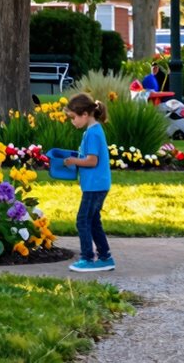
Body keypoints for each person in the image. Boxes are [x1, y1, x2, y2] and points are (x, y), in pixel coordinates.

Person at [62, 93, 115, 273]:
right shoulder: (93, 131)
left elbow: (92, 161)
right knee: (93, 221)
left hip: (95, 185)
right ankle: (105, 257)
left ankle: (87, 259)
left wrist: (73, 161)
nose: (72, 121)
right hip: (97, 184)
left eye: (73, 117)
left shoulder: (93, 133)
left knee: (83, 220)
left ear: (85, 114)